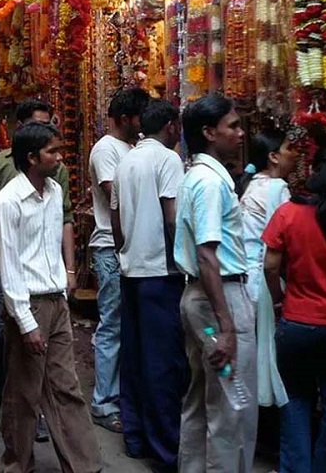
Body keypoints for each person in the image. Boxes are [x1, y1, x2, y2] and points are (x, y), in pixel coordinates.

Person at [0, 122, 101, 473]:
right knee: (24, 393)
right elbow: (9, 266)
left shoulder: (53, 192)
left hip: (55, 302)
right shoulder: (9, 202)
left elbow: (52, 245)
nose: (59, 157)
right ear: (32, 158)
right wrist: (25, 321)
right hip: (30, 303)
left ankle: (83, 465)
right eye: (52, 152)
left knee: (66, 385)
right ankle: (17, 464)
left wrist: (66, 282)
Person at [0, 98, 70, 443]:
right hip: (8, 267)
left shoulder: (56, 172)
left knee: (43, 352)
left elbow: (65, 219)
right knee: (0, 337)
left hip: (45, 277)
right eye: (38, 126)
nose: (55, 151)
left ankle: (33, 415)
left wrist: (69, 270)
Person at [263, 149, 326, 473]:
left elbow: (270, 265)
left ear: (311, 172)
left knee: (295, 402)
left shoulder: (288, 213)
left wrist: (279, 298)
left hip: (298, 322)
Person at [173, 93, 256, 473]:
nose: (240, 133)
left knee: (202, 399)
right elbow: (208, 255)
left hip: (203, 299)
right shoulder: (208, 182)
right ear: (209, 132)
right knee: (230, 407)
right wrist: (226, 327)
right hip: (219, 299)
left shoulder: (198, 176)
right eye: (232, 126)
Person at [109, 99, 187, 470]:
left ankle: (135, 436)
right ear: (170, 126)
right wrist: (185, 263)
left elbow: (116, 219)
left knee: (135, 357)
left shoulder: (126, 161)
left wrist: (126, 250)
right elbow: (173, 217)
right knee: (162, 363)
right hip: (160, 272)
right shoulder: (168, 160)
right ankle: (165, 447)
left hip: (131, 270)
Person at [87, 87, 149, 433]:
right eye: (140, 117)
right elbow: (116, 195)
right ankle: (104, 401)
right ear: (125, 119)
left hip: (132, 245)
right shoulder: (106, 150)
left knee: (126, 322)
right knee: (111, 322)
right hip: (110, 246)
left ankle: (122, 394)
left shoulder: (133, 147)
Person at [240, 129, 296, 408]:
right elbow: (285, 240)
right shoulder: (277, 189)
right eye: (288, 148)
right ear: (273, 157)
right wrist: (278, 297)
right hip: (262, 279)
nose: (294, 154)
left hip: (246, 280)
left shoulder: (253, 184)